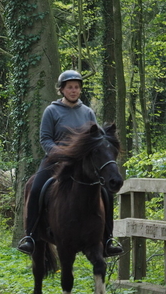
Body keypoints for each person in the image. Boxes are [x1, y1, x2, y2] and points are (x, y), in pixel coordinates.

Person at [17, 70, 123, 256]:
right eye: (69, 87)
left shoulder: (88, 112)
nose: (73, 91)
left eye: (76, 87)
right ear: (62, 90)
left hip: (83, 166)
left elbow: (96, 140)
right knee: (36, 188)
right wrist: (62, 154)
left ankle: (107, 239)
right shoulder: (51, 111)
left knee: (106, 192)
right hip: (55, 162)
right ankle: (31, 237)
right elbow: (45, 139)